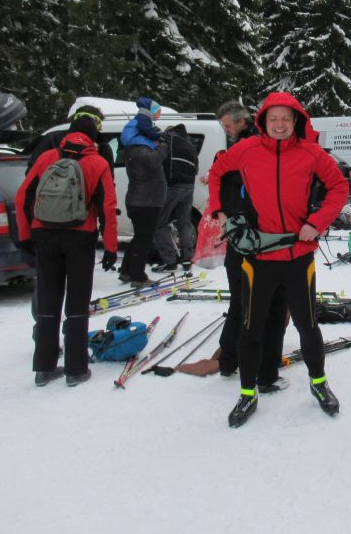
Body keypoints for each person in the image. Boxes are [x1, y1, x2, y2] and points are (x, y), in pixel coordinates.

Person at [207, 92, 350, 428]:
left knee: (307, 324)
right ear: (263, 122)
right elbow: (216, 173)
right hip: (259, 257)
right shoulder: (246, 149)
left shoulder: (311, 153)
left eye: (287, 119)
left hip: (299, 256)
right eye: (274, 119)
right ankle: (247, 392)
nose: (280, 125)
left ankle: (319, 383)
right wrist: (220, 212)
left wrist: (316, 223)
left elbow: (339, 186)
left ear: (296, 120)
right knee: (250, 327)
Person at [16, 115, 118, 387]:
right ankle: (75, 369)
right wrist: (110, 248)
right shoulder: (98, 163)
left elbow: (23, 196)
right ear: (92, 138)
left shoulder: (47, 157)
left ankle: (44, 368)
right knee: (77, 304)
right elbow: (107, 207)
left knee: (48, 303)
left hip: (44, 236)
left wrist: (26, 234)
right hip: (80, 238)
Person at [209, 100, 290, 391]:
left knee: (243, 300)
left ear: (242, 120)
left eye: (228, 126)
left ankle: (231, 359)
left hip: (247, 233)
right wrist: (221, 211)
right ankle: (259, 368)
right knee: (262, 303)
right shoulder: (248, 148)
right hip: (254, 236)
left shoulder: (250, 146)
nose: (227, 131)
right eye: (224, 127)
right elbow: (226, 182)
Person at [119, 105, 169, 285]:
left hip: (141, 199)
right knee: (144, 239)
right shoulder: (140, 149)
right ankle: (138, 276)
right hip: (145, 201)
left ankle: (126, 271)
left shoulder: (135, 148)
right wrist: (164, 145)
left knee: (139, 237)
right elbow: (155, 160)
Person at [151, 124, 199, 274]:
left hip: (172, 186)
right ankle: (187, 258)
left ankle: (169, 260)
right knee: (184, 222)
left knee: (159, 221)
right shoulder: (190, 146)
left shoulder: (167, 140)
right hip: (189, 187)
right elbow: (196, 168)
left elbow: (157, 159)